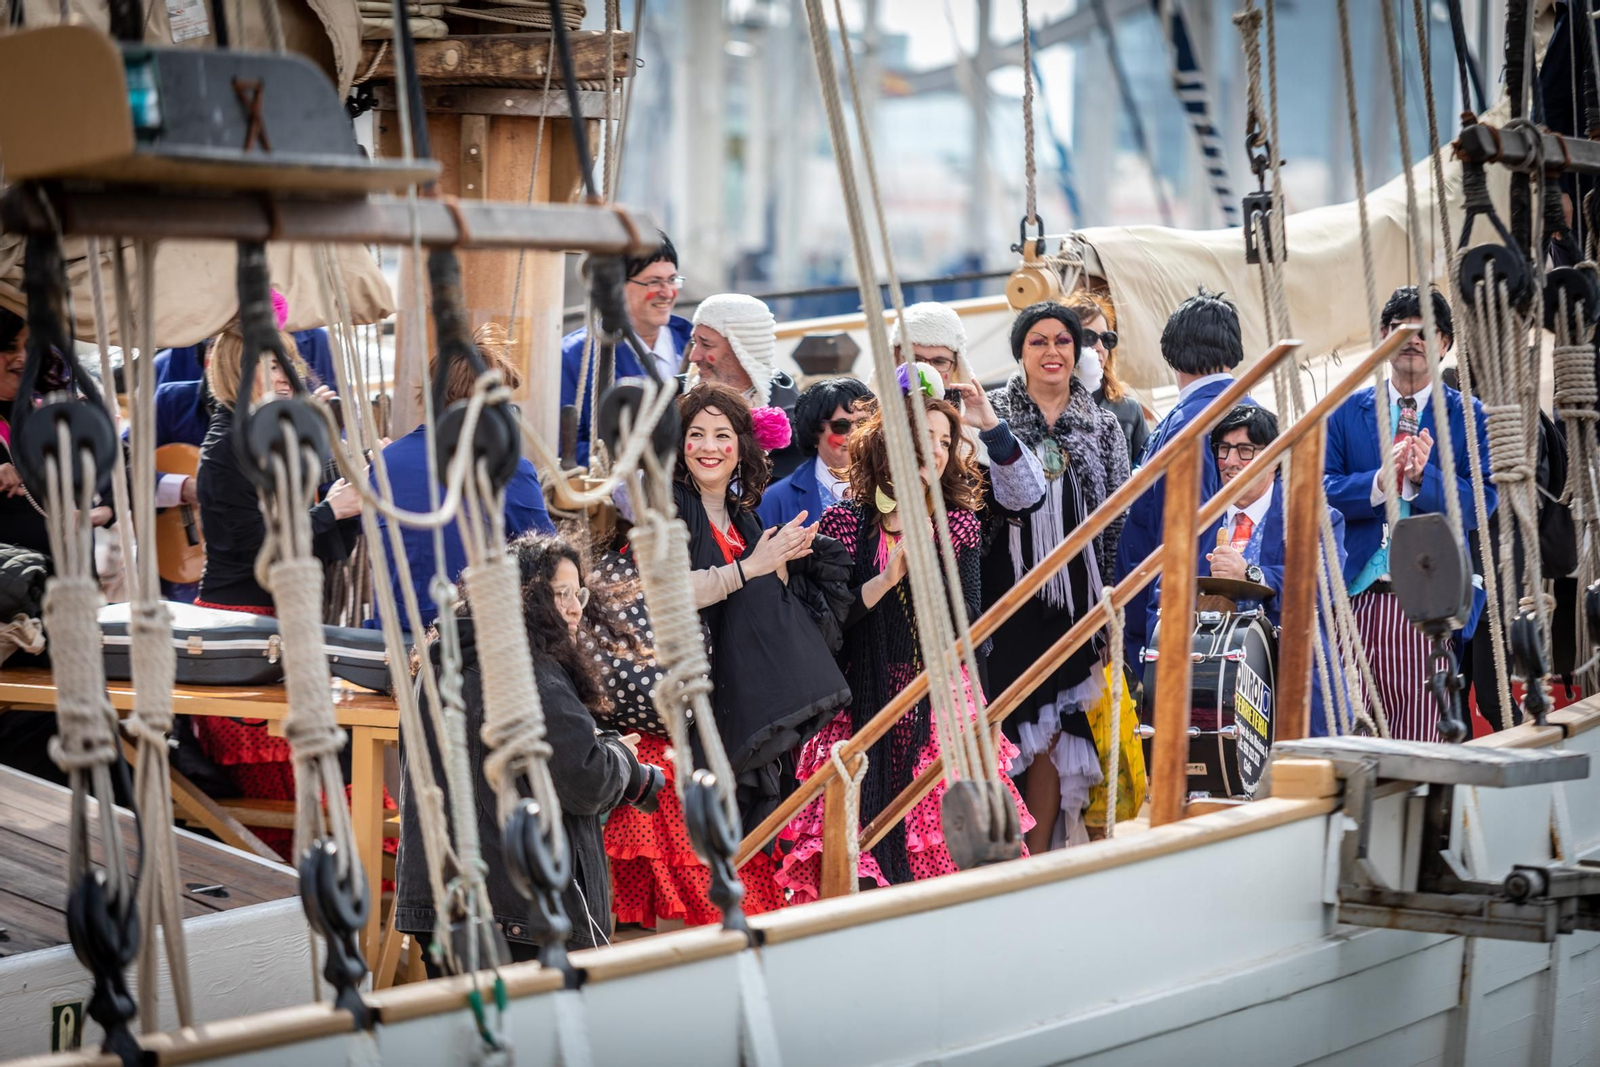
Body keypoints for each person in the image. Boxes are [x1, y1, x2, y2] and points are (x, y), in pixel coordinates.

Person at [777, 383, 1034, 899]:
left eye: (945, 442)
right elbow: (834, 623)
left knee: (939, 832)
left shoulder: (956, 523)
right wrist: (887, 578)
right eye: (923, 439)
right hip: (860, 695)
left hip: (938, 697)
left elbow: (968, 622)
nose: (936, 452)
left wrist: (929, 567)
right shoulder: (845, 520)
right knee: (853, 837)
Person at [394, 534, 658, 966]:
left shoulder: (437, 662)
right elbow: (586, 781)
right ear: (524, 597)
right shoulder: (532, 670)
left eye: (578, 594)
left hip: (441, 905)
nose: (575, 608)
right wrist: (623, 760)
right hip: (520, 915)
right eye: (560, 594)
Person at [985, 301, 1134, 851]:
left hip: (1075, 602)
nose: (1052, 351)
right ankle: (1001, 854)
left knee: (1052, 735)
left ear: (1079, 350)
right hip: (1006, 597)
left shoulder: (1104, 425)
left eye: (1063, 341)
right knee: (1005, 730)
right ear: (1020, 353)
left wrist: (1109, 611)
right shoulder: (991, 414)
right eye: (1038, 341)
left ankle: (1037, 853)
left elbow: (1115, 521)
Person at [1324, 286, 1494, 742]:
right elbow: (1320, 493)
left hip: (1428, 606)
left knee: (1420, 745)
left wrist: (1423, 478)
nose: (1413, 339)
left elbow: (1482, 504)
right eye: (1402, 328)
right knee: (1348, 743)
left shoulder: (1470, 416)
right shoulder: (1344, 412)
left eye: (1426, 331)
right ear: (1383, 337)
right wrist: (1379, 483)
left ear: (1444, 344)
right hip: (1353, 604)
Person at [370, 321, 555, 632]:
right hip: (474, 640)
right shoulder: (510, 470)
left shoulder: (385, 463)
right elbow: (549, 561)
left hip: (391, 638)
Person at [1115, 288, 1253, 670]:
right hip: (1242, 624)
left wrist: (1161, 633)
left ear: (1172, 350)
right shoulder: (1254, 417)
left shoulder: (1189, 426)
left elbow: (1185, 534)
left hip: (1185, 628)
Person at [1193, 405, 1349, 736]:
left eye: (1245, 450)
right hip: (1211, 700)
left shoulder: (1313, 516)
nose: (1230, 461)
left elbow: (1323, 586)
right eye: (1223, 449)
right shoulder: (1197, 524)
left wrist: (1252, 574)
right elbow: (1160, 600)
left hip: (1294, 694)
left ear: (1275, 458)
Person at [194, 328, 361, 613]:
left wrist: (345, 498)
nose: (287, 376)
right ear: (238, 371)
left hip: (286, 607)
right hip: (243, 614)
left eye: (290, 364)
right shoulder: (226, 444)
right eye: (273, 367)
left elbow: (318, 540)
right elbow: (255, 545)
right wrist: (331, 511)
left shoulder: (269, 437)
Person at [886, 301, 1047, 514]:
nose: (927, 371)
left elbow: (1026, 499)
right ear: (896, 359)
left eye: (939, 362)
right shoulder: (868, 421)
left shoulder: (974, 428)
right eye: (915, 360)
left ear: (955, 366)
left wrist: (992, 428)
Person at [560, 231, 693, 468]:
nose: (667, 292)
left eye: (672, 280)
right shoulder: (575, 356)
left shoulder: (694, 343)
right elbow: (565, 448)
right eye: (654, 282)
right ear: (617, 285)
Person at [687, 293, 803, 478]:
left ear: (743, 350)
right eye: (695, 342)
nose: (694, 356)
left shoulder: (788, 415)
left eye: (706, 345)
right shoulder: (673, 396)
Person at [756, 376, 873, 528]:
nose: (855, 433)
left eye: (863, 423)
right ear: (814, 432)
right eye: (841, 426)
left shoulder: (893, 488)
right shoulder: (773, 502)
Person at [1065, 291, 1150, 463]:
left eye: (1106, 339)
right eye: (1088, 338)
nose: (1100, 347)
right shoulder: (1043, 407)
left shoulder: (1129, 410)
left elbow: (1147, 469)